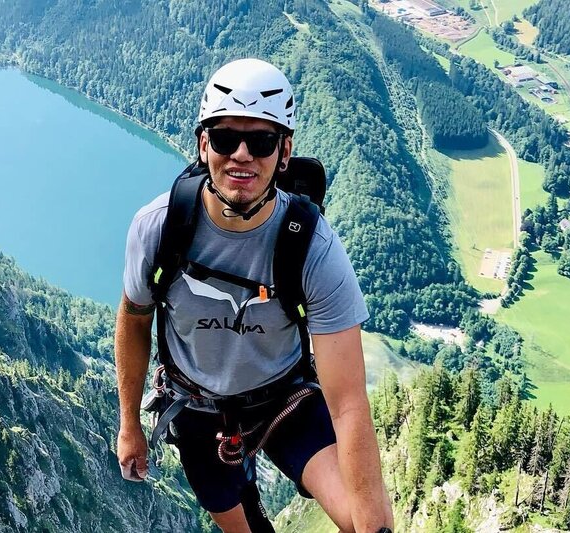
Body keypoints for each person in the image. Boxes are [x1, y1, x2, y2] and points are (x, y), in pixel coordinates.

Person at [115, 58, 394, 533]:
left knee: (360, 519)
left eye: (261, 141)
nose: (242, 154)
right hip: (198, 410)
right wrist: (130, 424)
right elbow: (134, 318)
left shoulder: (311, 246)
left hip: (284, 399)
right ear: (204, 146)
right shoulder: (158, 227)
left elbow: (348, 404)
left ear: (284, 153)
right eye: (225, 138)